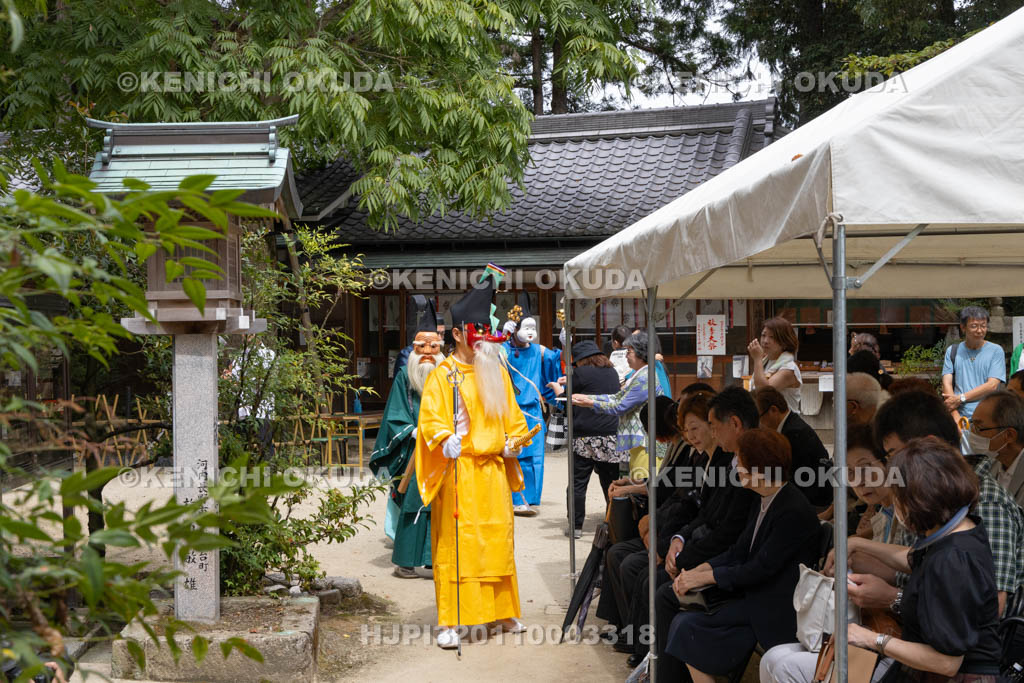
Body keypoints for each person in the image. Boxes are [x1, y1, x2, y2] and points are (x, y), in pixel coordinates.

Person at [414, 271, 531, 649]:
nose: (482, 335)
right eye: (475, 329)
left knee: (498, 541)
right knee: (457, 547)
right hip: (459, 472)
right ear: (459, 333)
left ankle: (503, 611)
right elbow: (429, 419)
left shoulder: (494, 370)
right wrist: (444, 439)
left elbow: (514, 419)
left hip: (493, 472)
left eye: (486, 327)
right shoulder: (442, 375)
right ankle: (451, 620)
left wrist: (514, 444)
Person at [660, 428, 820, 683]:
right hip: (752, 593)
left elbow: (759, 568)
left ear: (761, 469)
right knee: (677, 609)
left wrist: (707, 577)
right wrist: (699, 570)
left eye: (742, 463)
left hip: (773, 606)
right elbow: (739, 550)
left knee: (687, 626)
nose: (737, 468)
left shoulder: (793, 510)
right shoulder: (763, 498)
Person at [845, 438, 1001, 683]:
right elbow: (915, 558)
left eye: (898, 496)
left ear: (918, 499)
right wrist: (857, 543)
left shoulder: (952, 560)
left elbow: (947, 663)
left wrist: (869, 639)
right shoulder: (960, 528)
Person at [760, 425, 903, 683]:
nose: (859, 481)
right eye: (849, 473)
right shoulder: (882, 516)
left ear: (890, 462)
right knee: (772, 657)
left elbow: (909, 569)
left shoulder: (910, 516)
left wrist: (857, 551)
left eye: (865, 468)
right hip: (865, 628)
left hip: (892, 640)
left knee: (785, 667)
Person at [640, 387, 761, 676]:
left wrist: (689, 563)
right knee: (653, 577)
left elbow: (731, 537)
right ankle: (654, 665)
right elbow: (704, 513)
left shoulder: (747, 468)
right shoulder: (726, 460)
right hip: (715, 556)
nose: (712, 436)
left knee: (664, 591)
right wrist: (676, 541)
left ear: (733, 424)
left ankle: (666, 675)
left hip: (737, 577)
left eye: (711, 427)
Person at [873, 388, 1024, 617]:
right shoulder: (926, 496)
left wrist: (893, 599)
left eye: (894, 454)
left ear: (930, 444)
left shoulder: (985, 502)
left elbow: (988, 609)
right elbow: (915, 569)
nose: (891, 467)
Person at [369, 299, 444, 579]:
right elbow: (395, 411)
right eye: (420, 347)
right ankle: (405, 562)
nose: (426, 352)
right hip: (414, 451)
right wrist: (411, 430)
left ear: (440, 348)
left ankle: (435, 561)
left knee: (441, 506)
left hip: (442, 449)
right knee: (413, 503)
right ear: (412, 349)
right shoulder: (404, 375)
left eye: (433, 346)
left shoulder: (449, 374)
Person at [571, 331, 666, 480]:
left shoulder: (644, 377)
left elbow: (620, 406)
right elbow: (617, 397)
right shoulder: (639, 374)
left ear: (641, 353)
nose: (626, 356)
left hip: (646, 442)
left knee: (642, 487)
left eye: (629, 351)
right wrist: (588, 397)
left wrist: (589, 402)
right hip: (640, 442)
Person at [549, 340, 620, 537]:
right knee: (611, 482)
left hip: (584, 435)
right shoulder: (612, 372)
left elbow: (565, 399)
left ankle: (576, 527)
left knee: (578, 482)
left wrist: (556, 388)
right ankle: (614, 524)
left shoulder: (578, 373)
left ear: (581, 360)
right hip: (610, 435)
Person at [500, 292, 561, 516]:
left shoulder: (540, 351)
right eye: (525, 327)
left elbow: (558, 362)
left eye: (532, 327)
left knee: (535, 456)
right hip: (511, 411)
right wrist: (500, 335)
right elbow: (486, 354)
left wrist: (565, 342)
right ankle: (516, 497)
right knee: (516, 454)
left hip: (534, 411)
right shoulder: (503, 351)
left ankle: (531, 498)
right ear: (514, 329)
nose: (530, 332)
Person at [754, 386, 832, 507]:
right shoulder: (790, 425)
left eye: (759, 419)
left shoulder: (794, 433)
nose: (759, 426)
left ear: (773, 410)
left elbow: (795, 481)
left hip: (814, 502)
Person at [942, 305, 1005, 423]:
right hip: (959, 418)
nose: (980, 330)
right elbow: (946, 384)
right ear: (963, 327)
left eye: (983, 326)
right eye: (974, 326)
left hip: (989, 418)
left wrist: (961, 398)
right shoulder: (952, 351)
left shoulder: (996, 351)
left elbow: (992, 385)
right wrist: (955, 417)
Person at [968, 390, 1024, 507]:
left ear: (1009, 435)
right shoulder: (989, 463)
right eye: (972, 425)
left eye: (979, 428)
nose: (972, 434)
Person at [748, 316, 802, 414]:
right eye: (763, 335)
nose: (765, 341)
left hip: (786, 426)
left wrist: (757, 359)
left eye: (772, 337)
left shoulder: (789, 368)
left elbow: (763, 392)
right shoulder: (766, 362)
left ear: (784, 342)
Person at [394, 295, 446, 373]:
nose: (439, 338)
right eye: (437, 333)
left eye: (442, 334)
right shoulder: (407, 354)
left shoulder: (441, 355)